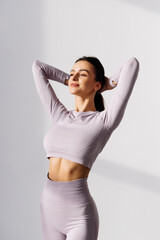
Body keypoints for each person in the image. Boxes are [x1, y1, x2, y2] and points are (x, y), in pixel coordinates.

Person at [32, 56, 140, 240]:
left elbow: (132, 64)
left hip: (78, 216)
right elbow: (38, 67)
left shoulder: (104, 121)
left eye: (82, 75)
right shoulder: (59, 114)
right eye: (72, 73)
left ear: (97, 85)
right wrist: (68, 79)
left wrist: (110, 83)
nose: (74, 78)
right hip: (48, 207)